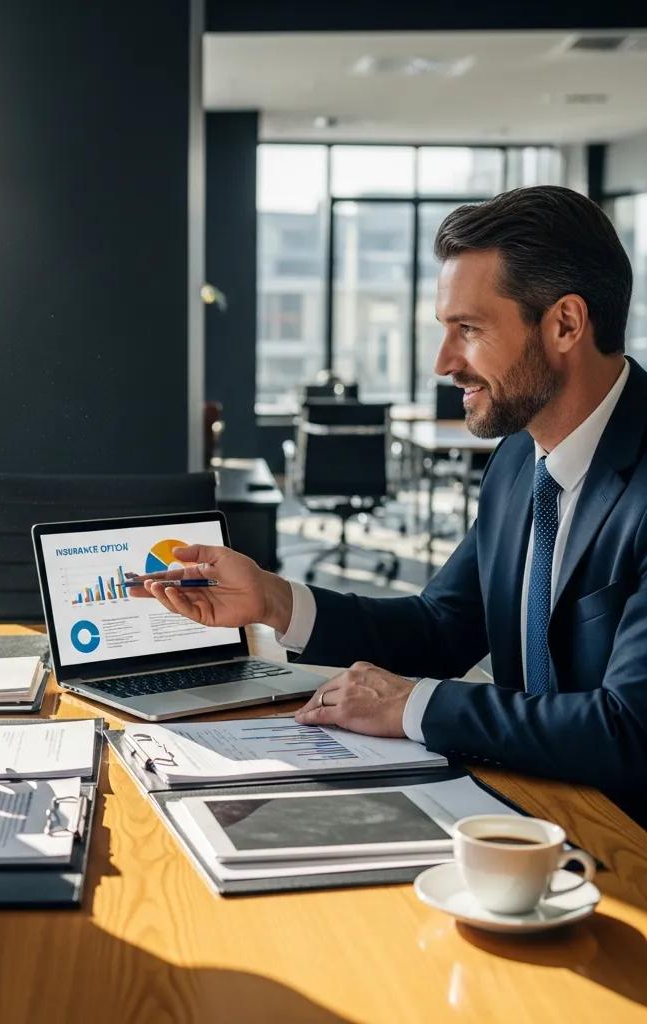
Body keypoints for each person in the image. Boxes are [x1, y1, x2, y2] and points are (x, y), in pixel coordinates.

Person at [133, 185, 647, 825]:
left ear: (565, 323)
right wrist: (274, 600)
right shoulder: (519, 459)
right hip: (534, 810)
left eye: (469, 329)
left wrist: (413, 705)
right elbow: (441, 628)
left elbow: (630, 730)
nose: (443, 363)